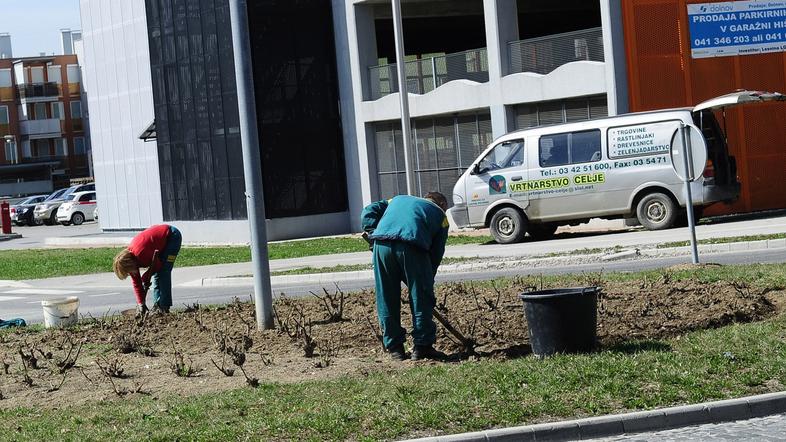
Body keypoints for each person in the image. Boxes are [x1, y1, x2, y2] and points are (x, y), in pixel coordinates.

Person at [361, 192, 450, 361]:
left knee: (386, 297)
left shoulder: (397, 199)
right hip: (413, 246)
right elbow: (436, 252)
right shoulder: (441, 217)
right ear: (443, 205)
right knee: (421, 298)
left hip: (381, 245)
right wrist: (424, 280)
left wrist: (373, 234)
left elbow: (368, 211)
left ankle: (395, 349)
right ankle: (422, 347)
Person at [113, 224, 182, 316]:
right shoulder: (131, 260)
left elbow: (158, 265)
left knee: (163, 271)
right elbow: (137, 283)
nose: (130, 274)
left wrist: (146, 276)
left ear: (130, 264)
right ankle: (158, 304)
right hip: (160, 243)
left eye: (129, 273)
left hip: (172, 236)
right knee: (157, 274)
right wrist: (141, 303)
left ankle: (164, 306)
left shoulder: (140, 253)